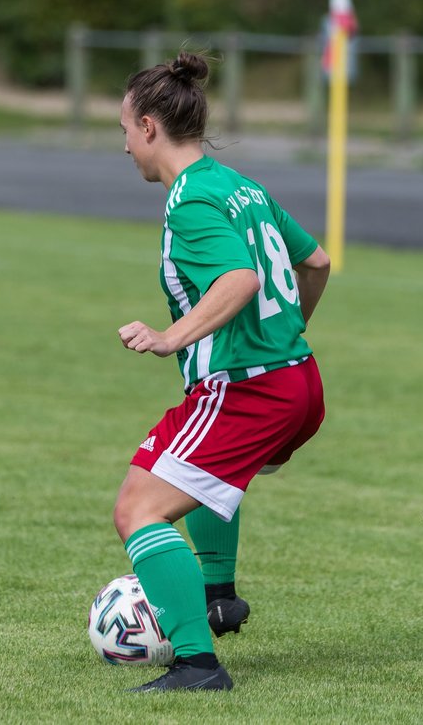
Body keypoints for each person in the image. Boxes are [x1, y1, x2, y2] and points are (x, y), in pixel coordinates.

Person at [113, 51, 331, 692]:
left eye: (124, 130)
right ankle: (217, 597)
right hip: (298, 380)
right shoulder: (239, 185)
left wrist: (168, 336)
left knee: (138, 509)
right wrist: (286, 329)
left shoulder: (189, 203)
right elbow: (314, 262)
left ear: (149, 127)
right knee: (210, 476)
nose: (124, 147)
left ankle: (197, 664)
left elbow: (240, 276)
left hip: (248, 387)